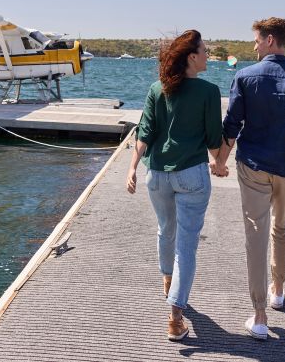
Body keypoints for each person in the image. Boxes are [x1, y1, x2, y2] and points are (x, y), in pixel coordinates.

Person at [212, 17, 285, 340]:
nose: (255, 46)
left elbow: (231, 125)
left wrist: (220, 160)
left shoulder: (245, 77)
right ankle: (278, 290)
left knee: (256, 235)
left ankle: (260, 315)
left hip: (253, 165)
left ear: (271, 40)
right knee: (282, 227)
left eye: (258, 40)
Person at [126, 30, 223, 342]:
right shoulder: (209, 92)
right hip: (192, 175)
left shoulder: (158, 88)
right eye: (205, 51)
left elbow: (145, 131)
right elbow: (213, 139)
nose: (208, 55)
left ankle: (168, 282)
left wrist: (131, 168)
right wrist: (220, 162)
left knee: (165, 229)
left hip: (156, 174)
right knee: (187, 244)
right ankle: (175, 316)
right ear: (192, 57)